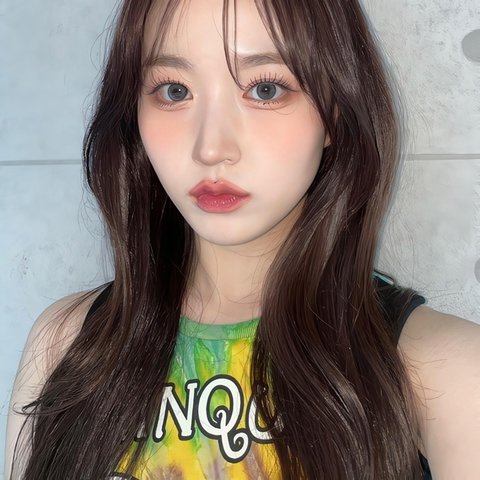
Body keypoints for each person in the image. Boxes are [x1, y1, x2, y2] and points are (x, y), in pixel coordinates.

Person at [5, 0, 480, 478]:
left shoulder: (444, 372)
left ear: (336, 112)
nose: (211, 147)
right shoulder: (64, 343)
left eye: (265, 89)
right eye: (174, 90)